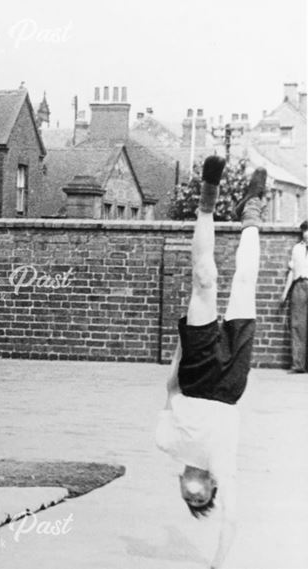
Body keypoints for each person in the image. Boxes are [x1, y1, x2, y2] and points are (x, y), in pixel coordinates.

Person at [155, 157, 267, 569]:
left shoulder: (166, 443)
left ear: (182, 485)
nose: (193, 493)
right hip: (230, 386)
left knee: (204, 277)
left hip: (197, 375)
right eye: (202, 498)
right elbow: (232, 519)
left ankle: (208, 197)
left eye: (189, 498)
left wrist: (182, 347)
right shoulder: (221, 466)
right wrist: (218, 564)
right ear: (212, 487)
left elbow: (170, 391)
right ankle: (251, 210)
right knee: (243, 283)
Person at [281, 221, 308, 373]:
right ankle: (298, 365)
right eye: (305, 230)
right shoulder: (297, 249)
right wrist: (285, 293)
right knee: (298, 325)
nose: (307, 233)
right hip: (299, 286)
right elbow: (292, 271)